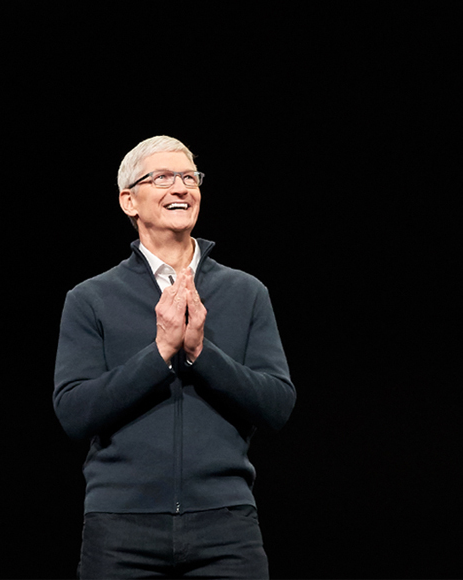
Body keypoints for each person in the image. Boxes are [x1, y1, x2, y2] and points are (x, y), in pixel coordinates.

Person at [53, 135, 295, 578]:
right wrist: (161, 350)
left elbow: (277, 405)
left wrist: (201, 352)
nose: (181, 188)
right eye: (163, 178)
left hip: (226, 526)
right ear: (130, 200)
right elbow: (74, 412)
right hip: (120, 530)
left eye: (189, 177)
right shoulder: (91, 298)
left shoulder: (246, 292)